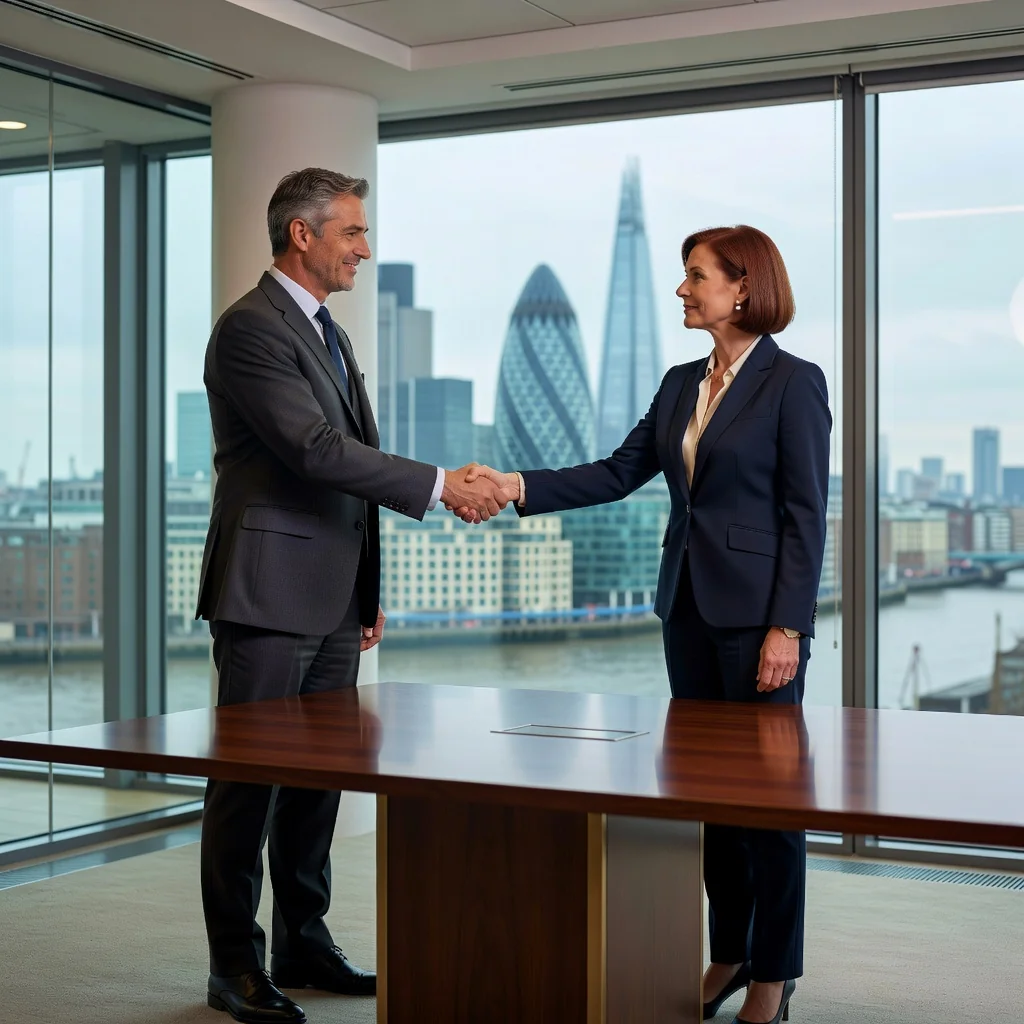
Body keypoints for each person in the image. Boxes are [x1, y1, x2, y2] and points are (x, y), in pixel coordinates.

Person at [458, 225, 830, 1024]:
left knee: (770, 808)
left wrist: (787, 628)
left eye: (696, 277)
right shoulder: (676, 385)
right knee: (711, 802)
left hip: (758, 622)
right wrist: (518, 483)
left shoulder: (795, 384)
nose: (683, 291)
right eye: (684, 276)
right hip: (686, 613)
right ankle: (728, 953)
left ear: (743, 286)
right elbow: (617, 473)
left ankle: (776, 972)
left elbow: (806, 517)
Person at [194, 167, 505, 1024]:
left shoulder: (328, 333)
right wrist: (444, 484)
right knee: (245, 785)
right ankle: (234, 968)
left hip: (329, 597)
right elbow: (317, 452)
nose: (365, 249)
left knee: (317, 782)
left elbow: (344, 474)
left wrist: (365, 590)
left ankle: (303, 940)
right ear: (304, 234)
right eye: (353, 234)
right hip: (264, 594)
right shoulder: (251, 330)